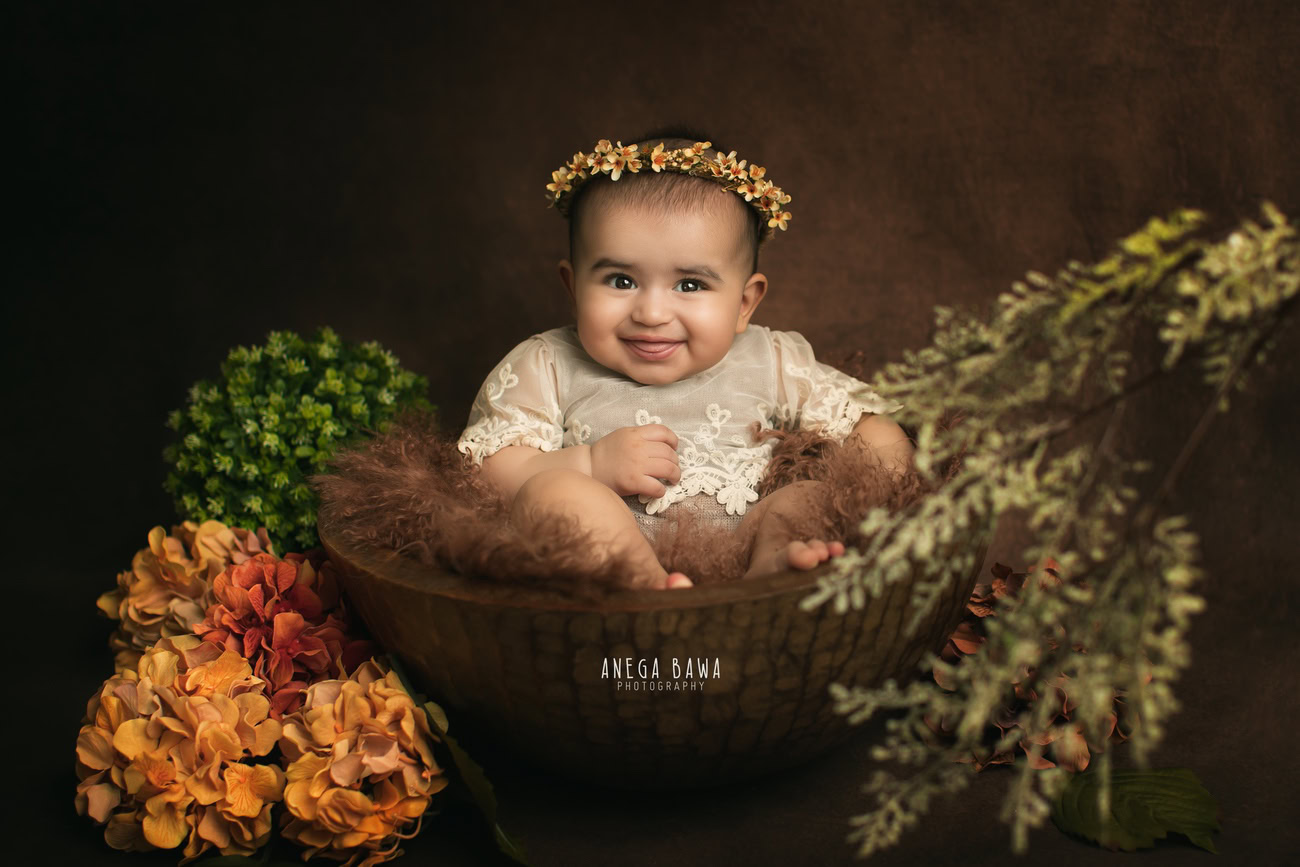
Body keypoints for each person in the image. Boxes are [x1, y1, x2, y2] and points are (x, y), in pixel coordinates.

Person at [457, 129, 915, 591]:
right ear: (573, 287)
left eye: (690, 285)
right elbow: (488, 473)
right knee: (550, 493)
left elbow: (866, 425)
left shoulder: (773, 360)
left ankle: (771, 571)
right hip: (603, 558)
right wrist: (590, 466)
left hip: (749, 542)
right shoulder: (547, 364)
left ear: (744, 303)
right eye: (620, 280)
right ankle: (643, 585)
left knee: (808, 498)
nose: (652, 313)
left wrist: (892, 494)